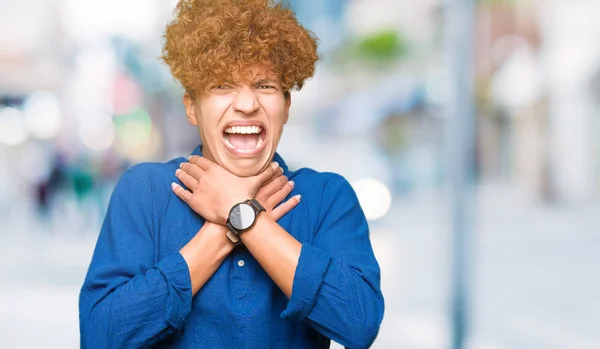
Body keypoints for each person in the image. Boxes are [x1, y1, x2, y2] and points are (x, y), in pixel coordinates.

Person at [78, 0, 385, 348]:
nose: (247, 104)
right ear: (192, 107)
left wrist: (246, 218)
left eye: (265, 86)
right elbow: (101, 336)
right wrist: (230, 225)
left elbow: (359, 323)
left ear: (286, 107)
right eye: (223, 85)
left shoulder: (327, 196)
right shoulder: (145, 191)